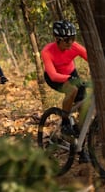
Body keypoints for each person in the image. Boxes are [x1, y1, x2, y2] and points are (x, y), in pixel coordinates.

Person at [41, 20, 89, 163]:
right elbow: (53, 75)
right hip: (54, 77)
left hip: (71, 74)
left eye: (73, 38)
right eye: (67, 40)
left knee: (84, 112)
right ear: (57, 39)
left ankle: (81, 150)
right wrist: (71, 79)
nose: (70, 43)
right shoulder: (47, 51)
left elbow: (91, 58)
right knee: (72, 89)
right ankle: (65, 122)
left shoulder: (74, 46)